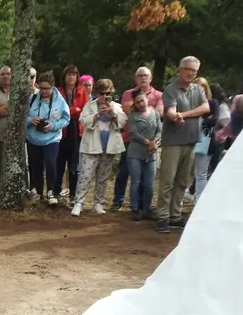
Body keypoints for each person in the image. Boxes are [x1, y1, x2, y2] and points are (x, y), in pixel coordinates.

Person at [156, 56, 210, 234]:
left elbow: (206, 108)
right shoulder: (171, 89)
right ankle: (163, 217)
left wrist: (184, 115)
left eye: (194, 71)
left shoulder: (198, 89)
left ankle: (175, 216)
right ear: (180, 69)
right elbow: (170, 113)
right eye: (188, 69)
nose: (190, 73)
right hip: (173, 142)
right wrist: (175, 115)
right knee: (168, 181)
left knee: (182, 182)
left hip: (191, 140)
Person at [71, 79, 126, 216]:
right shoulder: (90, 106)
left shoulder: (116, 107)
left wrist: (113, 114)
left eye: (107, 93)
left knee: (103, 177)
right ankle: (79, 203)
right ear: (96, 93)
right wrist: (98, 115)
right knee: (85, 175)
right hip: (91, 146)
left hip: (109, 147)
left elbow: (123, 123)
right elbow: (83, 121)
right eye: (101, 93)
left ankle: (98, 203)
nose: (104, 96)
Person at [116, 67, 164, 211]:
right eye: (139, 76)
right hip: (130, 140)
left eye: (145, 75)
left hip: (152, 145)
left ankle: (144, 206)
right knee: (124, 173)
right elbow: (128, 110)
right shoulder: (127, 94)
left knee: (147, 180)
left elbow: (160, 113)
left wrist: (153, 142)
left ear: (151, 78)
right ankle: (119, 200)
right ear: (135, 78)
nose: (142, 78)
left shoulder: (159, 94)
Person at [26, 72, 71, 206]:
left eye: (47, 88)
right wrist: (31, 120)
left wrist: (52, 126)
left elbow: (66, 119)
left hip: (52, 138)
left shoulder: (59, 100)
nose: (44, 91)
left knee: (51, 163)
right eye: (42, 88)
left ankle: (51, 191)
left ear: (53, 87)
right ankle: (37, 191)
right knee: (35, 165)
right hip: (33, 138)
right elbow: (23, 117)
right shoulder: (33, 99)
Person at [125, 89, 162, 221]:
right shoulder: (133, 115)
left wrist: (155, 141)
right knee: (136, 181)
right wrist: (149, 143)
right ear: (134, 104)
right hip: (135, 153)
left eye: (142, 100)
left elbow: (159, 130)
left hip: (151, 154)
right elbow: (134, 134)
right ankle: (135, 209)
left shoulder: (155, 113)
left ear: (146, 99)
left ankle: (147, 208)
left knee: (149, 184)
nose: (141, 104)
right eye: (137, 102)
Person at [56, 65, 88, 199]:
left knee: (74, 164)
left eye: (74, 75)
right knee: (59, 162)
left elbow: (85, 111)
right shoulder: (58, 91)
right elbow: (57, 112)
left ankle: (73, 194)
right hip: (61, 129)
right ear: (64, 76)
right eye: (68, 74)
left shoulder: (82, 92)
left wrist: (70, 111)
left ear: (77, 77)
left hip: (76, 130)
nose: (71, 77)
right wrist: (75, 110)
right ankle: (56, 192)